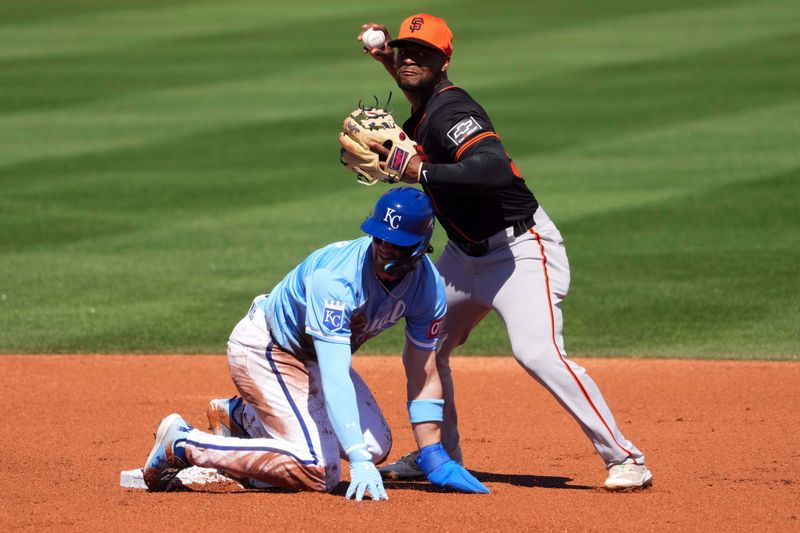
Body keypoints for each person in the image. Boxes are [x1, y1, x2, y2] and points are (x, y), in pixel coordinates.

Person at [357, 14, 653, 490]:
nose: (410, 59)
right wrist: (387, 62)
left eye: (423, 53)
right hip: (460, 258)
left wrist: (419, 171)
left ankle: (624, 457)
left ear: (444, 60)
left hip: (518, 251)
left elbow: (492, 170)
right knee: (426, 346)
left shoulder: (454, 113)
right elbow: (417, 83)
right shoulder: (427, 102)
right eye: (403, 51)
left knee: (537, 352)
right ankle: (439, 454)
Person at [141, 187, 489, 500]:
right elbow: (336, 374)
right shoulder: (336, 280)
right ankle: (183, 443)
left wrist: (432, 453)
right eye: (379, 239)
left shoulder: (427, 288)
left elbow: (424, 373)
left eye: (395, 245)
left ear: (419, 249)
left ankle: (241, 417)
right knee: (320, 471)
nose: (383, 250)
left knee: (376, 446)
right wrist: (357, 459)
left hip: (313, 358)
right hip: (267, 348)